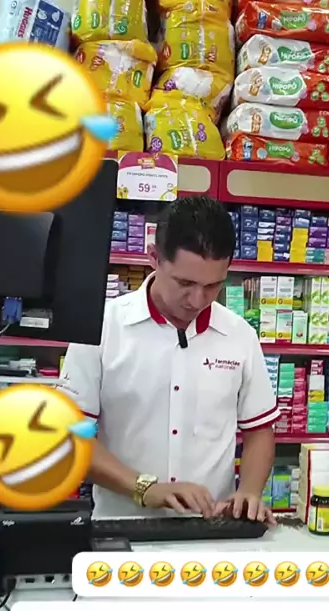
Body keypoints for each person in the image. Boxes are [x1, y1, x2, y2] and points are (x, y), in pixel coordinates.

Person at [59, 197, 279, 521]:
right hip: (123, 528)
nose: (198, 300)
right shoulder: (101, 327)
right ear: (154, 258)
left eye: (213, 286)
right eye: (185, 283)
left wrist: (249, 491)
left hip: (212, 530)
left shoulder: (240, 335)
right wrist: (144, 488)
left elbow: (259, 430)